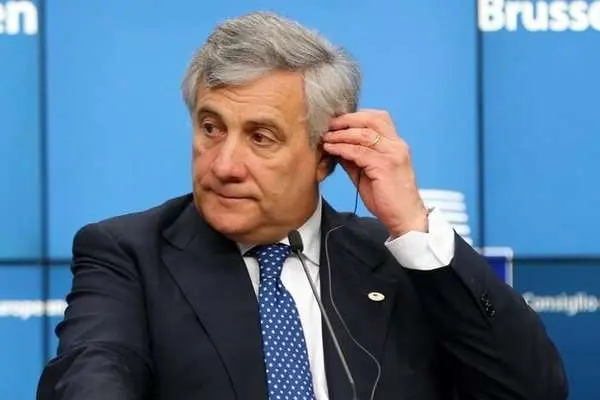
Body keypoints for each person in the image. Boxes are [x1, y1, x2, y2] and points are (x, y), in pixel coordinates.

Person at [37, 11, 567, 400]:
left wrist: (412, 225)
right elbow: (93, 372)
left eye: (261, 137)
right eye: (211, 127)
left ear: (325, 155)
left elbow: (531, 389)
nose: (224, 164)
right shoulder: (129, 254)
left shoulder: (396, 262)